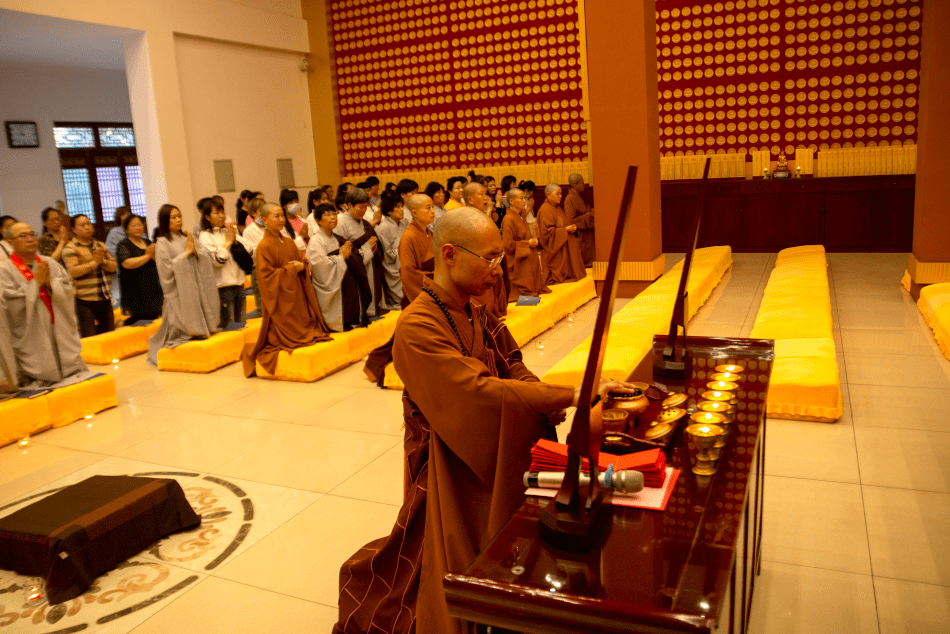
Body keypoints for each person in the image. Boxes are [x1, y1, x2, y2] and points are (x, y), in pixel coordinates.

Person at [334, 208, 636, 634]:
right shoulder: (418, 325)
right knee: (434, 564)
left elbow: (513, 363)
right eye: (491, 258)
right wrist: (569, 394)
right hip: (448, 460)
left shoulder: (475, 309)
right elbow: (476, 395)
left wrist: (541, 398)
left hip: (483, 446)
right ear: (451, 254)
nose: (500, 269)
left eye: (501, 258)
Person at [241, 202, 332, 376]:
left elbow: (303, 261)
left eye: (282, 215)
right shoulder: (263, 246)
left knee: (308, 329)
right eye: (276, 216)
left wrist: (301, 265)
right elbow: (266, 277)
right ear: (265, 219)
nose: (281, 219)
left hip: (295, 294)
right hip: (280, 298)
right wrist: (292, 269)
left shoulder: (289, 242)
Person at [0, 222, 92, 387]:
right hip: (30, 329)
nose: (30, 239)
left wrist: (50, 284)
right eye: (23, 236)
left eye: (32, 234)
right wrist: (35, 284)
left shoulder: (49, 262)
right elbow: (8, 302)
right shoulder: (4, 270)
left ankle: (67, 372)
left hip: (56, 322)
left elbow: (67, 289)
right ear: (10, 242)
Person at [362, 194, 435, 385]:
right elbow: (408, 273)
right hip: (419, 293)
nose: (433, 211)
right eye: (428, 207)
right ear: (416, 213)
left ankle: (375, 363)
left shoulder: (429, 233)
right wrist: (430, 286)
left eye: (433, 207)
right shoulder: (409, 237)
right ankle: (375, 364)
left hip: (432, 289)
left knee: (405, 336)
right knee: (405, 336)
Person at [147, 204, 220, 366]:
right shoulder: (163, 242)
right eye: (173, 217)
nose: (178, 220)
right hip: (177, 290)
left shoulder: (186, 237)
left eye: (179, 216)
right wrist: (186, 254)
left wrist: (195, 252)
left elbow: (204, 257)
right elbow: (165, 269)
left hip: (193, 284)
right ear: (165, 220)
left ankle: (199, 329)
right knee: (175, 327)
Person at [306, 203, 361, 332]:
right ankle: (333, 324)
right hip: (328, 283)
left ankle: (348, 320)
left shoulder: (336, 238)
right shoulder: (316, 241)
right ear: (318, 220)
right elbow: (320, 266)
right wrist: (341, 257)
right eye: (327, 215)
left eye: (334, 214)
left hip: (342, 280)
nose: (332, 217)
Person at [62, 214, 117, 337]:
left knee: (109, 335)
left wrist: (102, 262)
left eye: (88, 224)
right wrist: (94, 263)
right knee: (90, 337)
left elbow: (114, 266)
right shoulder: (70, 248)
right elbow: (72, 272)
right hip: (85, 300)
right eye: (82, 225)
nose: (87, 227)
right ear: (74, 230)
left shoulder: (100, 245)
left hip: (105, 296)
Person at [461, 183, 511, 317]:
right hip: (477, 263)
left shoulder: (479, 214)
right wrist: (489, 210)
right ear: (470, 199)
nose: (486, 198)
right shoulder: (465, 217)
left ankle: (493, 308)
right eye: (481, 194)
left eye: (486, 194)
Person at [335, 187, 384, 319]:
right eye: (360, 207)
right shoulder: (340, 222)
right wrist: (366, 249)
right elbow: (342, 249)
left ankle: (371, 312)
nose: (363, 211)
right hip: (352, 267)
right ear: (349, 205)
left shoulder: (364, 223)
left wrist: (372, 249)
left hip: (368, 263)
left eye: (365, 207)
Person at [198, 198, 245, 328]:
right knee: (229, 326)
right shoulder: (205, 236)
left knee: (241, 324)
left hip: (239, 282)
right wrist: (228, 243)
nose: (221, 216)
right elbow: (217, 262)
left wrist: (237, 244)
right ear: (207, 217)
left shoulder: (228, 231)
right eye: (217, 213)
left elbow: (250, 250)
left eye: (222, 212)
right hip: (223, 287)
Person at [501, 188, 549, 300]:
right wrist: (527, 243)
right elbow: (508, 244)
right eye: (521, 198)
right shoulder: (508, 219)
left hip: (526, 254)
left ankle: (534, 287)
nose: (524, 201)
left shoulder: (520, 216)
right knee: (529, 298)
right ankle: (523, 295)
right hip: (517, 259)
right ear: (511, 201)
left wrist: (533, 240)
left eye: (525, 198)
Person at [116, 214, 163, 324]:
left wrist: (153, 255)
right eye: (133, 226)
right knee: (140, 321)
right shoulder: (124, 244)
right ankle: (123, 324)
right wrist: (147, 256)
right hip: (134, 288)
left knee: (154, 317)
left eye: (139, 225)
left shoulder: (147, 242)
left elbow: (157, 261)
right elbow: (126, 263)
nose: (137, 228)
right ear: (126, 228)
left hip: (152, 286)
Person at [538, 183, 585, 285]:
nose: (560, 196)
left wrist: (571, 227)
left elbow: (563, 224)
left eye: (561, 194)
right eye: (557, 194)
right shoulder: (545, 210)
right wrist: (565, 230)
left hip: (562, 246)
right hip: (554, 251)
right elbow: (546, 234)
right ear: (549, 195)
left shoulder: (557, 208)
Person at [374, 194, 406, 309]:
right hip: (392, 264)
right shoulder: (384, 227)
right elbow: (387, 252)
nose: (401, 210)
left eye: (402, 206)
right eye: (398, 207)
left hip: (405, 259)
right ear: (389, 210)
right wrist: (400, 252)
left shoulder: (403, 223)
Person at [242, 197, 267, 316]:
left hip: (274, 268)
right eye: (261, 210)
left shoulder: (269, 226)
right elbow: (255, 252)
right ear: (253, 213)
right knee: (262, 309)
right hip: (259, 269)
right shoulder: (249, 231)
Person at [564, 173, 595, 267]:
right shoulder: (569, 199)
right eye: (582, 182)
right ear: (575, 185)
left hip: (588, 234)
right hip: (581, 235)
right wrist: (589, 215)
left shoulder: (577, 197)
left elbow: (584, 212)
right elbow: (572, 220)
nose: (584, 184)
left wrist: (591, 212)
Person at [106, 206, 132, 307]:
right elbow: (110, 251)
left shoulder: (136, 228)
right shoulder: (114, 232)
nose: (127, 216)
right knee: (128, 293)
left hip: (141, 264)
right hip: (124, 267)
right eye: (124, 214)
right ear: (119, 217)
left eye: (128, 214)